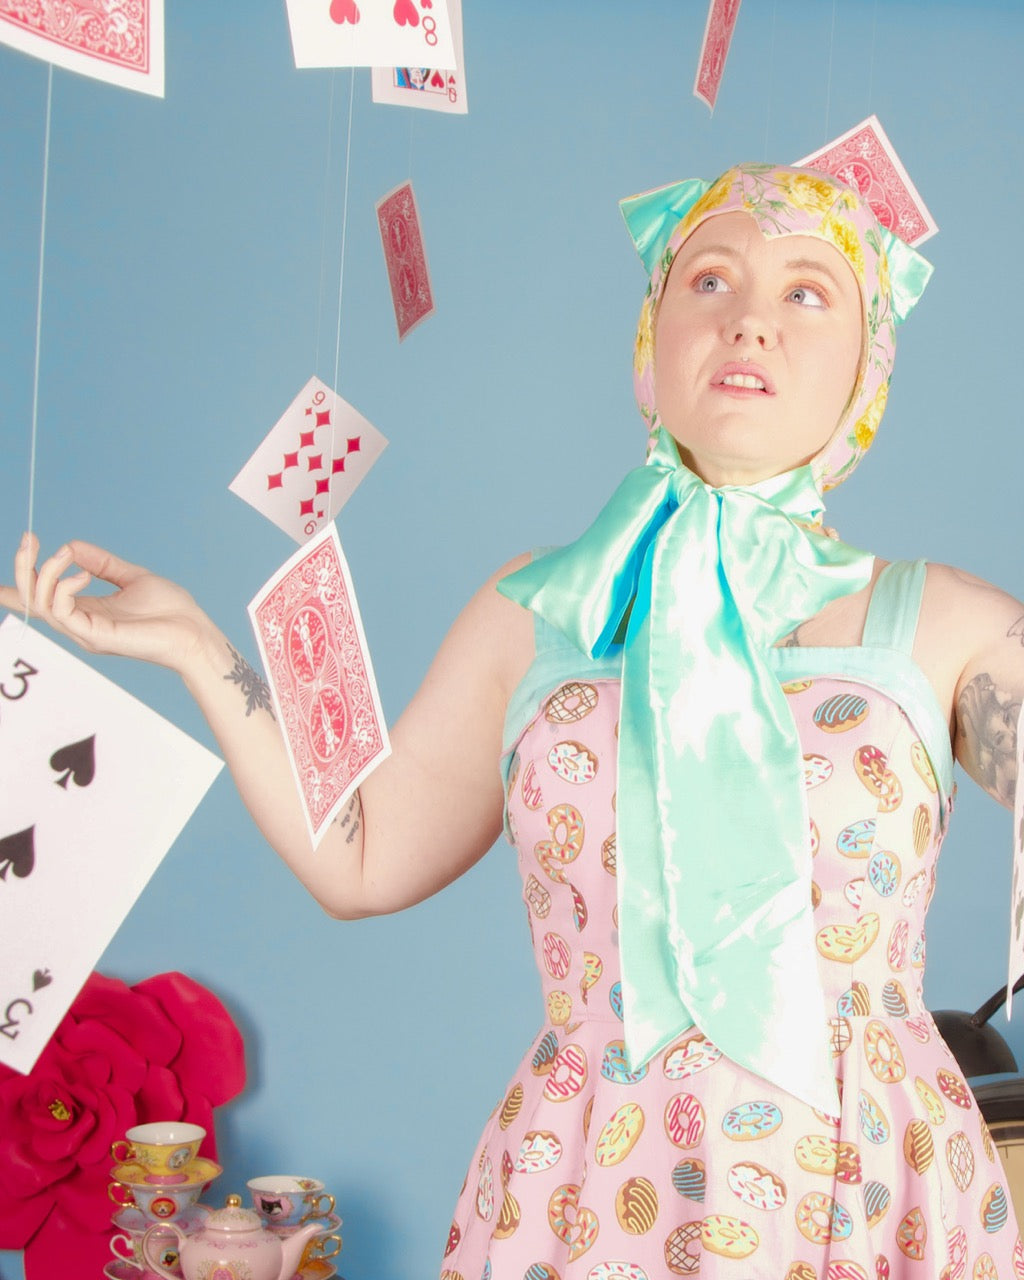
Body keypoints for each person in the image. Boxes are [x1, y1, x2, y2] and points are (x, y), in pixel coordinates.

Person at [4, 163, 1024, 1277]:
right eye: (710, 278)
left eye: (807, 293)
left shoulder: (952, 626)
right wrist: (202, 650)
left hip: (872, 1185)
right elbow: (362, 859)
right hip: (586, 1182)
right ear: (651, 332)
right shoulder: (530, 609)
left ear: (868, 360)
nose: (749, 322)